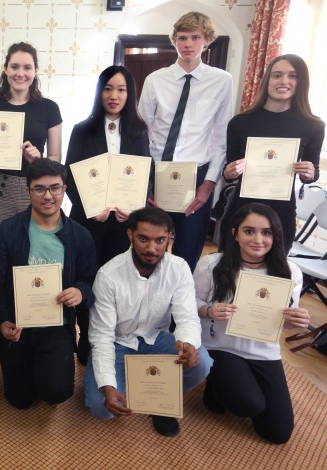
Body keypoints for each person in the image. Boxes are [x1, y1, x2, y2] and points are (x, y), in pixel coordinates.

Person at [85, 207, 212, 437]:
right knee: (101, 408)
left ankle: (161, 401)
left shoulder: (179, 268)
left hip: (156, 340)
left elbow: (187, 317)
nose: (152, 248)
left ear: (169, 239)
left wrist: (188, 343)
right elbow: (102, 336)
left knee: (201, 361)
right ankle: (134, 387)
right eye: (143, 239)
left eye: (160, 240)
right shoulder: (108, 275)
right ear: (130, 235)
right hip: (117, 344)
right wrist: (108, 386)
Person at [194, 203, 309, 443]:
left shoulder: (290, 271)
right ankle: (215, 387)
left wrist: (295, 321)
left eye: (266, 232)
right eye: (249, 231)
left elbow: (284, 323)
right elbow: (188, 304)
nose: (258, 239)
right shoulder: (212, 264)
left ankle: (235, 383)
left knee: (277, 433)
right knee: (248, 404)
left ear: (276, 236)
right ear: (235, 234)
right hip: (220, 347)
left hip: (263, 351)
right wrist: (208, 309)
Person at [0, 158, 96, 409]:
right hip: (17, 324)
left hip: (56, 325)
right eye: (39, 189)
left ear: (64, 190)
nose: (48, 196)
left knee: (56, 392)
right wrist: (1, 320)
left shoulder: (80, 236)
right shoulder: (7, 232)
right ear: (28, 191)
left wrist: (80, 291)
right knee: (20, 400)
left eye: (55, 188)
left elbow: (89, 280)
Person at [139, 11, 233, 271]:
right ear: (174, 41)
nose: (188, 44)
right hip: (157, 173)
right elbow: (140, 133)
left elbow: (221, 137)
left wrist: (208, 185)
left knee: (186, 255)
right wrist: (144, 184)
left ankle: (175, 311)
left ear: (207, 40)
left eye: (195, 37)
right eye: (182, 37)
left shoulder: (222, 81)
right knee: (148, 249)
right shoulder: (155, 80)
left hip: (196, 177)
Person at [220, 55, 325, 253]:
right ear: (267, 80)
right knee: (228, 273)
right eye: (277, 75)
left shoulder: (314, 125)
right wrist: (230, 172)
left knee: (272, 278)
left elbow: (313, 175)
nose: (284, 81)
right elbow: (228, 172)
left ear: (301, 82)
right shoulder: (240, 122)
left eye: (292, 76)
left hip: (281, 213)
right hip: (241, 209)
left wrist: (309, 173)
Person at [65, 65, 149, 268]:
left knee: (114, 276)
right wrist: (90, 209)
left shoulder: (139, 132)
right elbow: (70, 174)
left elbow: (146, 175)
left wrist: (133, 211)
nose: (114, 96)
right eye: (107, 88)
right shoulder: (81, 130)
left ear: (129, 93)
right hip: (87, 220)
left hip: (122, 222)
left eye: (121, 89)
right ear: (99, 92)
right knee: (84, 273)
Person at [0, 42, 63, 234]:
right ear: (5, 69)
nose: (20, 73)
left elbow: (56, 158)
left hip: (34, 188)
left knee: (30, 248)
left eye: (27, 67)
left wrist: (39, 161)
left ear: (36, 71)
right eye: (14, 67)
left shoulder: (49, 109)